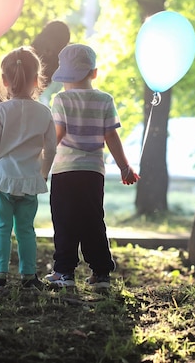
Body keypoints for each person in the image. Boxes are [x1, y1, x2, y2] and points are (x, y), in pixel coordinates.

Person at [44, 44, 139, 290]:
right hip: (93, 172)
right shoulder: (105, 100)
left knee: (64, 221)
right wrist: (124, 167)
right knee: (93, 220)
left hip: (65, 170)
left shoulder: (61, 99)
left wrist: (42, 158)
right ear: (94, 73)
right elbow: (111, 137)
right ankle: (101, 273)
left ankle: (64, 272)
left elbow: (58, 133)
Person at [0, 46, 57, 289]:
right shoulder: (44, 112)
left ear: (4, 80)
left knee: (1, 228)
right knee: (26, 230)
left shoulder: (0, 110)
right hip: (29, 180)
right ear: (36, 80)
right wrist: (43, 172)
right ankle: (29, 277)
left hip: (2, 179)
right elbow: (51, 148)